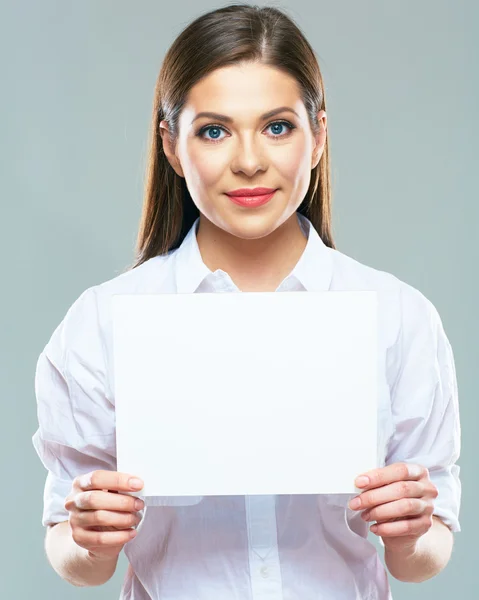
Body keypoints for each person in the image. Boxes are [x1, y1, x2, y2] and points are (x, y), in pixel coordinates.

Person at [31, 4, 461, 599]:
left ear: (318, 138)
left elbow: (425, 556)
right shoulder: (103, 321)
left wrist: (412, 534)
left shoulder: (399, 317)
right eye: (214, 130)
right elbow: (71, 550)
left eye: (278, 126)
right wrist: (88, 538)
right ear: (173, 147)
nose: (250, 160)